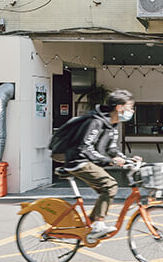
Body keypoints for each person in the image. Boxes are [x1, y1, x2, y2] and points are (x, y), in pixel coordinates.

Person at [58, 89, 140, 242]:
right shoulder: (95, 122)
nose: (132, 111)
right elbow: (85, 148)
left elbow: (112, 150)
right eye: (130, 107)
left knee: (106, 190)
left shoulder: (113, 125)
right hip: (78, 161)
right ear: (119, 107)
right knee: (110, 185)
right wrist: (109, 161)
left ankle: (88, 227)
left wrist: (127, 159)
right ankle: (98, 225)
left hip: (88, 161)